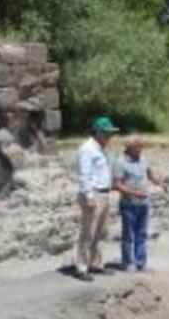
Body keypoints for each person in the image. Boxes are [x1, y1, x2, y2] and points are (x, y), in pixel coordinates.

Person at [73, 116, 119, 282]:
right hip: (93, 194)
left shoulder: (102, 149)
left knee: (100, 231)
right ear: (98, 133)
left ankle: (96, 264)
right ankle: (82, 267)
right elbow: (84, 174)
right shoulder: (87, 149)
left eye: (111, 134)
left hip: (104, 193)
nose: (110, 137)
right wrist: (89, 196)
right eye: (107, 133)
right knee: (88, 232)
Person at [113, 136, 162, 272]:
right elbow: (116, 185)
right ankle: (128, 262)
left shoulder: (143, 159)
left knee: (142, 234)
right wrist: (135, 193)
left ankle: (141, 262)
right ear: (128, 147)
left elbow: (150, 174)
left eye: (141, 146)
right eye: (138, 147)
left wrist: (157, 179)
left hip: (144, 203)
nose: (141, 150)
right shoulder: (120, 162)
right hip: (128, 204)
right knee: (128, 234)